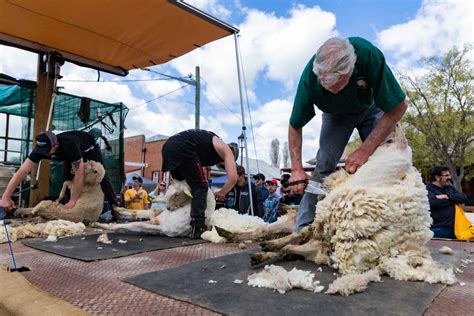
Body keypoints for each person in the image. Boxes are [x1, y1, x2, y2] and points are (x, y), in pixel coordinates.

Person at [288, 37, 408, 231]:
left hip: (372, 110)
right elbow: (295, 125)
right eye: (327, 87)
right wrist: (296, 169)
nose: (333, 91)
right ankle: (303, 227)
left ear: (351, 70)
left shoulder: (368, 55)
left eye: (337, 84)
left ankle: (396, 226)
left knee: (387, 160)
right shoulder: (309, 78)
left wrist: (365, 150)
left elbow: (398, 106)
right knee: (324, 163)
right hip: (335, 116)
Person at [0, 130, 117, 211]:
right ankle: (64, 205)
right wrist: (6, 196)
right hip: (67, 154)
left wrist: (74, 200)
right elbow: (22, 171)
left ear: (55, 145)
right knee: (66, 178)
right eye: (41, 150)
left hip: (89, 148)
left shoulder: (69, 146)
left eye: (46, 150)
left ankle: (115, 207)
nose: (43, 153)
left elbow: (79, 173)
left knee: (101, 176)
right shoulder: (41, 149)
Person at [162, 129, 239, 238]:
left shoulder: (208, 142)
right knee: (201, 187)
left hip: (168, 147)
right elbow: (233, 178)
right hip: (184, 148)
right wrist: (222, 192)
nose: (221, 166)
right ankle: (198, 226)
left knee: (185, 185)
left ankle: (173, 214)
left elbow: (195, 169)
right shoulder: (227, 150)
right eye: (223, 165)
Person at [427, 166, 468, 239]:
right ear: (437, 177)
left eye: (449, 175)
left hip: (456, 228)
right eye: (446, 175)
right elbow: (433, 202)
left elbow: (463, 198)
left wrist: (447, 196)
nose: (449, 177)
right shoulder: (428, 189)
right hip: (439, 228)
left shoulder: (449, 188)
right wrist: (453, 201)